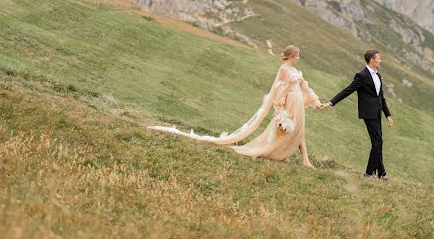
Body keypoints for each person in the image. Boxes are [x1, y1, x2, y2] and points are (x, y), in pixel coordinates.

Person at [147, 45, 322, 167]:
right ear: (291, 55)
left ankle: (301, 158)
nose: (299, 58)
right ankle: (291, 156)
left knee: (299, 129)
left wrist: (315, 101)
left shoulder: (295, 71)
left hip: (298, 101)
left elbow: (304, 85)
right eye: (297, 55)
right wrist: (280, 109)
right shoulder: (284, 69)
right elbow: (280, 89)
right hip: (290, 101)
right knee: (285, 130)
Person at [319, 49, 394, 179]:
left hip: (377, 113)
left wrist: (387, 114)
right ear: (372, 60)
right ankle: (368, 174)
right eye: (378, 58)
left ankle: (381, 174)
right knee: (377, 143)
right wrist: (331, 103)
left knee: (378, 142)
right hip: (369, 113)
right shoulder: (362, 75)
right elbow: (347, 90)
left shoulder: (378, 75)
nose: (380, 60)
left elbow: (381, 96)